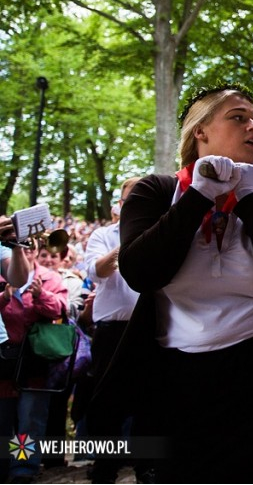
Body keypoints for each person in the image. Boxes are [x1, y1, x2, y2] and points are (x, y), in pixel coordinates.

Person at [109, 84, 253, 482]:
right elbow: (142, 272)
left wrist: (248, 199)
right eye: (238, 117)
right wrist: (197, 198)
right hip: (181, 383)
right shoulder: (155, 193)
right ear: (200, 132)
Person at [83, 177, 145, 483]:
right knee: (107, 402)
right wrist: (131, 238)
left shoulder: (156, 232)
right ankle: (105, 467)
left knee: (149, 400)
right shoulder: (101, 235)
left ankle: (146, 467)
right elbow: (98, 270)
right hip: (111, 331)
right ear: (119, 206)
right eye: (128, 201)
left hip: (148, 327)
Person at [0, 234, 69, 482]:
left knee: (30, 420)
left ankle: (22, 469)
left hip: (34, 359)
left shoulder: (50, 278)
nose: (24, 252)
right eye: (16, 247)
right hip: (3, 359)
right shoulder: (2, 275)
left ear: (37, 250)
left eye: (30, 247)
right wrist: (5, 297)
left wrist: (41, 295)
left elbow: (62, 309)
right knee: (3, 418)